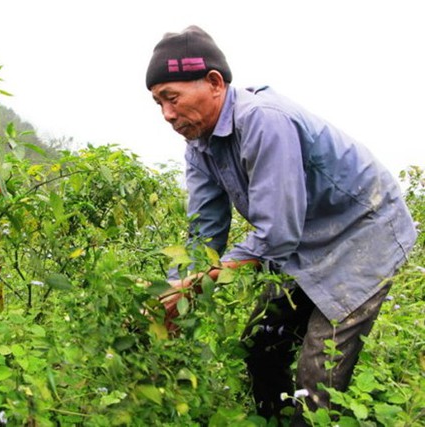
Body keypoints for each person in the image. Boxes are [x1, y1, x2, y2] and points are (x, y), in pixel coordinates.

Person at [145, 25, 417, 425]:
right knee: (260, 346)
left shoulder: (263, 120)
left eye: (173, 98)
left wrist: (201, 282)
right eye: (157, 104)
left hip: (363, 235)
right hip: (302, 245)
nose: (167, 115)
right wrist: (174, 292)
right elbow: (204, 231)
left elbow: (277, 234)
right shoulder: (200, 145)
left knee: (316, 379)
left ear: (215, 83)